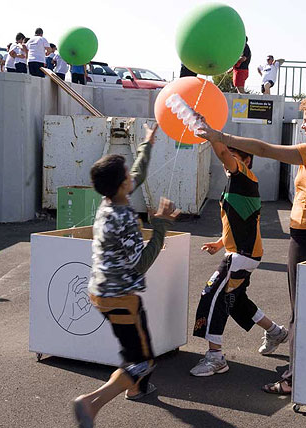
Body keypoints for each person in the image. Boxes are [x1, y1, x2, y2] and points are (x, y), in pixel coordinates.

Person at [195, 94, 306, 395]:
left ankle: (294, 378)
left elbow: (266, 149)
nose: (304, 124)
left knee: (300, 310)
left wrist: (219, 136)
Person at [73, 123, 180, 428]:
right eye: (127, 179)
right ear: (121, 187)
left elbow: (137, 174)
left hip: (101, 292)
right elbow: (141, 263)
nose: (132, 180)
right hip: (121, 298)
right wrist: (160, 224)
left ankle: (137, 389)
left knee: (135, 346)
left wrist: (147, 143)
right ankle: (92, 402)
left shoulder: (108, 204)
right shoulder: (125, 219)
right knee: (142, 361)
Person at [190, 140, 288, 377]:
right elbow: (239, 222)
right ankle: (276, 332)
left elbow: (222, 151)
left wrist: (213, 135)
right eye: (229, 157)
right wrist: (219, 242)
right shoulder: (236, 183)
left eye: (233, 157)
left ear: (246, 161)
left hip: (242, 254)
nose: (227, 161)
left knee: (211, 295)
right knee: (236, 301)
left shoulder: (244, 176)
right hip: (242, 252)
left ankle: (215, 357)